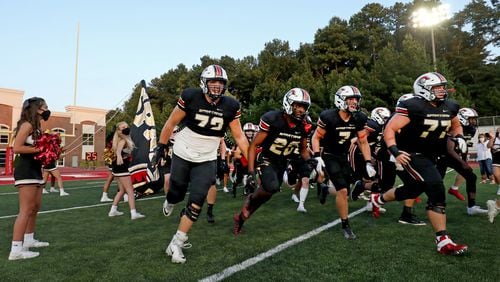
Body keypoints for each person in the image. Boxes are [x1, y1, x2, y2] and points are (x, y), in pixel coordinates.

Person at [154, 64, 249, 264]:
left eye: (220, 83)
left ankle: (177, 242)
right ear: (203, 83)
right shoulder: (191, 96)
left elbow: (239, 135)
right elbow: (171, 123)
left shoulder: (231, 106)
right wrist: (161, 146)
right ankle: (170, 200)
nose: (216, 86)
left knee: (197, 200)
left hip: (207, 157)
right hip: (183, 150)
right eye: (212, 82)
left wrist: (253, 161)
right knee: (176, 192)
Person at [370, 72, 468, 255]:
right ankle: (443, 240)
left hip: (432, 154)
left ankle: (378, 198)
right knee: (436, 185)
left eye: (442, 87)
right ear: (424, 89)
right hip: (411, 153)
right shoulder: (413, 106)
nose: (442, 90)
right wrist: (395, 151)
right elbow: (390, 128)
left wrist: (460, 136)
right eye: (437, 87)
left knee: (415, 188)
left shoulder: (450, 106)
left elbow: (455, 124)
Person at [233, 87, 313, 234]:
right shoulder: (273, 119)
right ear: (288, 104)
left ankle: (241, 217)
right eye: (297, 105)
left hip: (282, 161)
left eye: (304, 107)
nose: (301, 110)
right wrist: (251, 172)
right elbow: (254, 145)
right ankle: (250, 201)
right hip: (266, 157)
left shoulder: (303, 126)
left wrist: (311, 160)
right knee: (271, 186)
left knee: (270, 191)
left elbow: (302, 149)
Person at [311, 85, 375, 240]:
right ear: (340, 100)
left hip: (343, 155)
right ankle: (345, 225)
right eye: (350, 99)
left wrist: (368, 161)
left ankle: (325, 189)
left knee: (349, 185)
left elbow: (363, 141)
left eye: (356, 99)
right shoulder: (329, 116)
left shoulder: (359, 117)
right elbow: (316, 137)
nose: (354, 102)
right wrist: (317, 156)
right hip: (328, 155)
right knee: (343, 190)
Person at [9, 97, 52, 260]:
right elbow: (17, 148)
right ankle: (16, 250)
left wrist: (51, 150)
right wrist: (40, 148)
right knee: (25, 210)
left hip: (36, 170)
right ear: (36, 109)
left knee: (34, 208)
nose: (47, 110)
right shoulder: (27, 125)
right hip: (25, 170)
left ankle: (29, 240)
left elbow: (38, 150)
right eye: (45, 107)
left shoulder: (37, 127)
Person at [435, 107, 487, 215]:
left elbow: (464, 146)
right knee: (436, 182)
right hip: (442, 156)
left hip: (452, 157)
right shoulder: (454, 127)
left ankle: (471, 207)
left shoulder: (470, 130)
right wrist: (462, 162)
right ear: (463, 118)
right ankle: (431, 203)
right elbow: (449, 149)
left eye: (474, 119)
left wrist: (464, 160)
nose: (474, 121)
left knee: (471, 177)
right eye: (471, 119)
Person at [107, 121, 146, 220]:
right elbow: (119, 150)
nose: (125, 128)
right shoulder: (122, 140)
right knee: (130, 191)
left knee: (122, 190)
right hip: (122, 168)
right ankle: (133, 213)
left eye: (126, 126)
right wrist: (119, 156)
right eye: (123, 127)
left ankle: (113, 210)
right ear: (119, 130)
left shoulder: (124, 139)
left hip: (117, 168)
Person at [487, 128, 500, 195]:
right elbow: (488, 146)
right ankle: (499, 186)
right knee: (496, 175)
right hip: (496, 159)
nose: (499, 132)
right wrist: (492, 138)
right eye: (498, 131)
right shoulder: (494, 139)